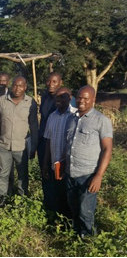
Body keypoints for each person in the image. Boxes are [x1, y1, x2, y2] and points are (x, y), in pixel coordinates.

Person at [64, 85, 113, 237]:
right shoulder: (71, 119)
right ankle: (76, 235)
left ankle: (89, 240)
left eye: (86, 98)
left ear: (93, 100)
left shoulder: (101, 121)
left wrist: (98, 176)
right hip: (70, 172)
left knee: (86, 211)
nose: (81, 101)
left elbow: (107, 149)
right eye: (79, 97)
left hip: (88, 175)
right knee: (73, 208)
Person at [0, 76, 38, 204]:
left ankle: (22, 198)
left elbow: (34, 126)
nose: (17, 89)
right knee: (3, 173)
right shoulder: (2, 100)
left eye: (21, 86)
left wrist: (33, 146)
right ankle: (1, 197)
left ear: (25, 87)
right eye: (15, 85)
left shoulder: (30, 102)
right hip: (4, 145)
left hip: (21, 147)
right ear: (11, 86)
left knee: (22, 174)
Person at [37, 72, 76, 211]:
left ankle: (64, 212)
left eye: (54, 81)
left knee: (63, 180)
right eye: (48, 81)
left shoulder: (72, 110)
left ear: (61, 82)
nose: (50, 84)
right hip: (46, 142)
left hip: (63, 149)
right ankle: (50, 207)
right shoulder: (46, 98)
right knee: (47, 175)